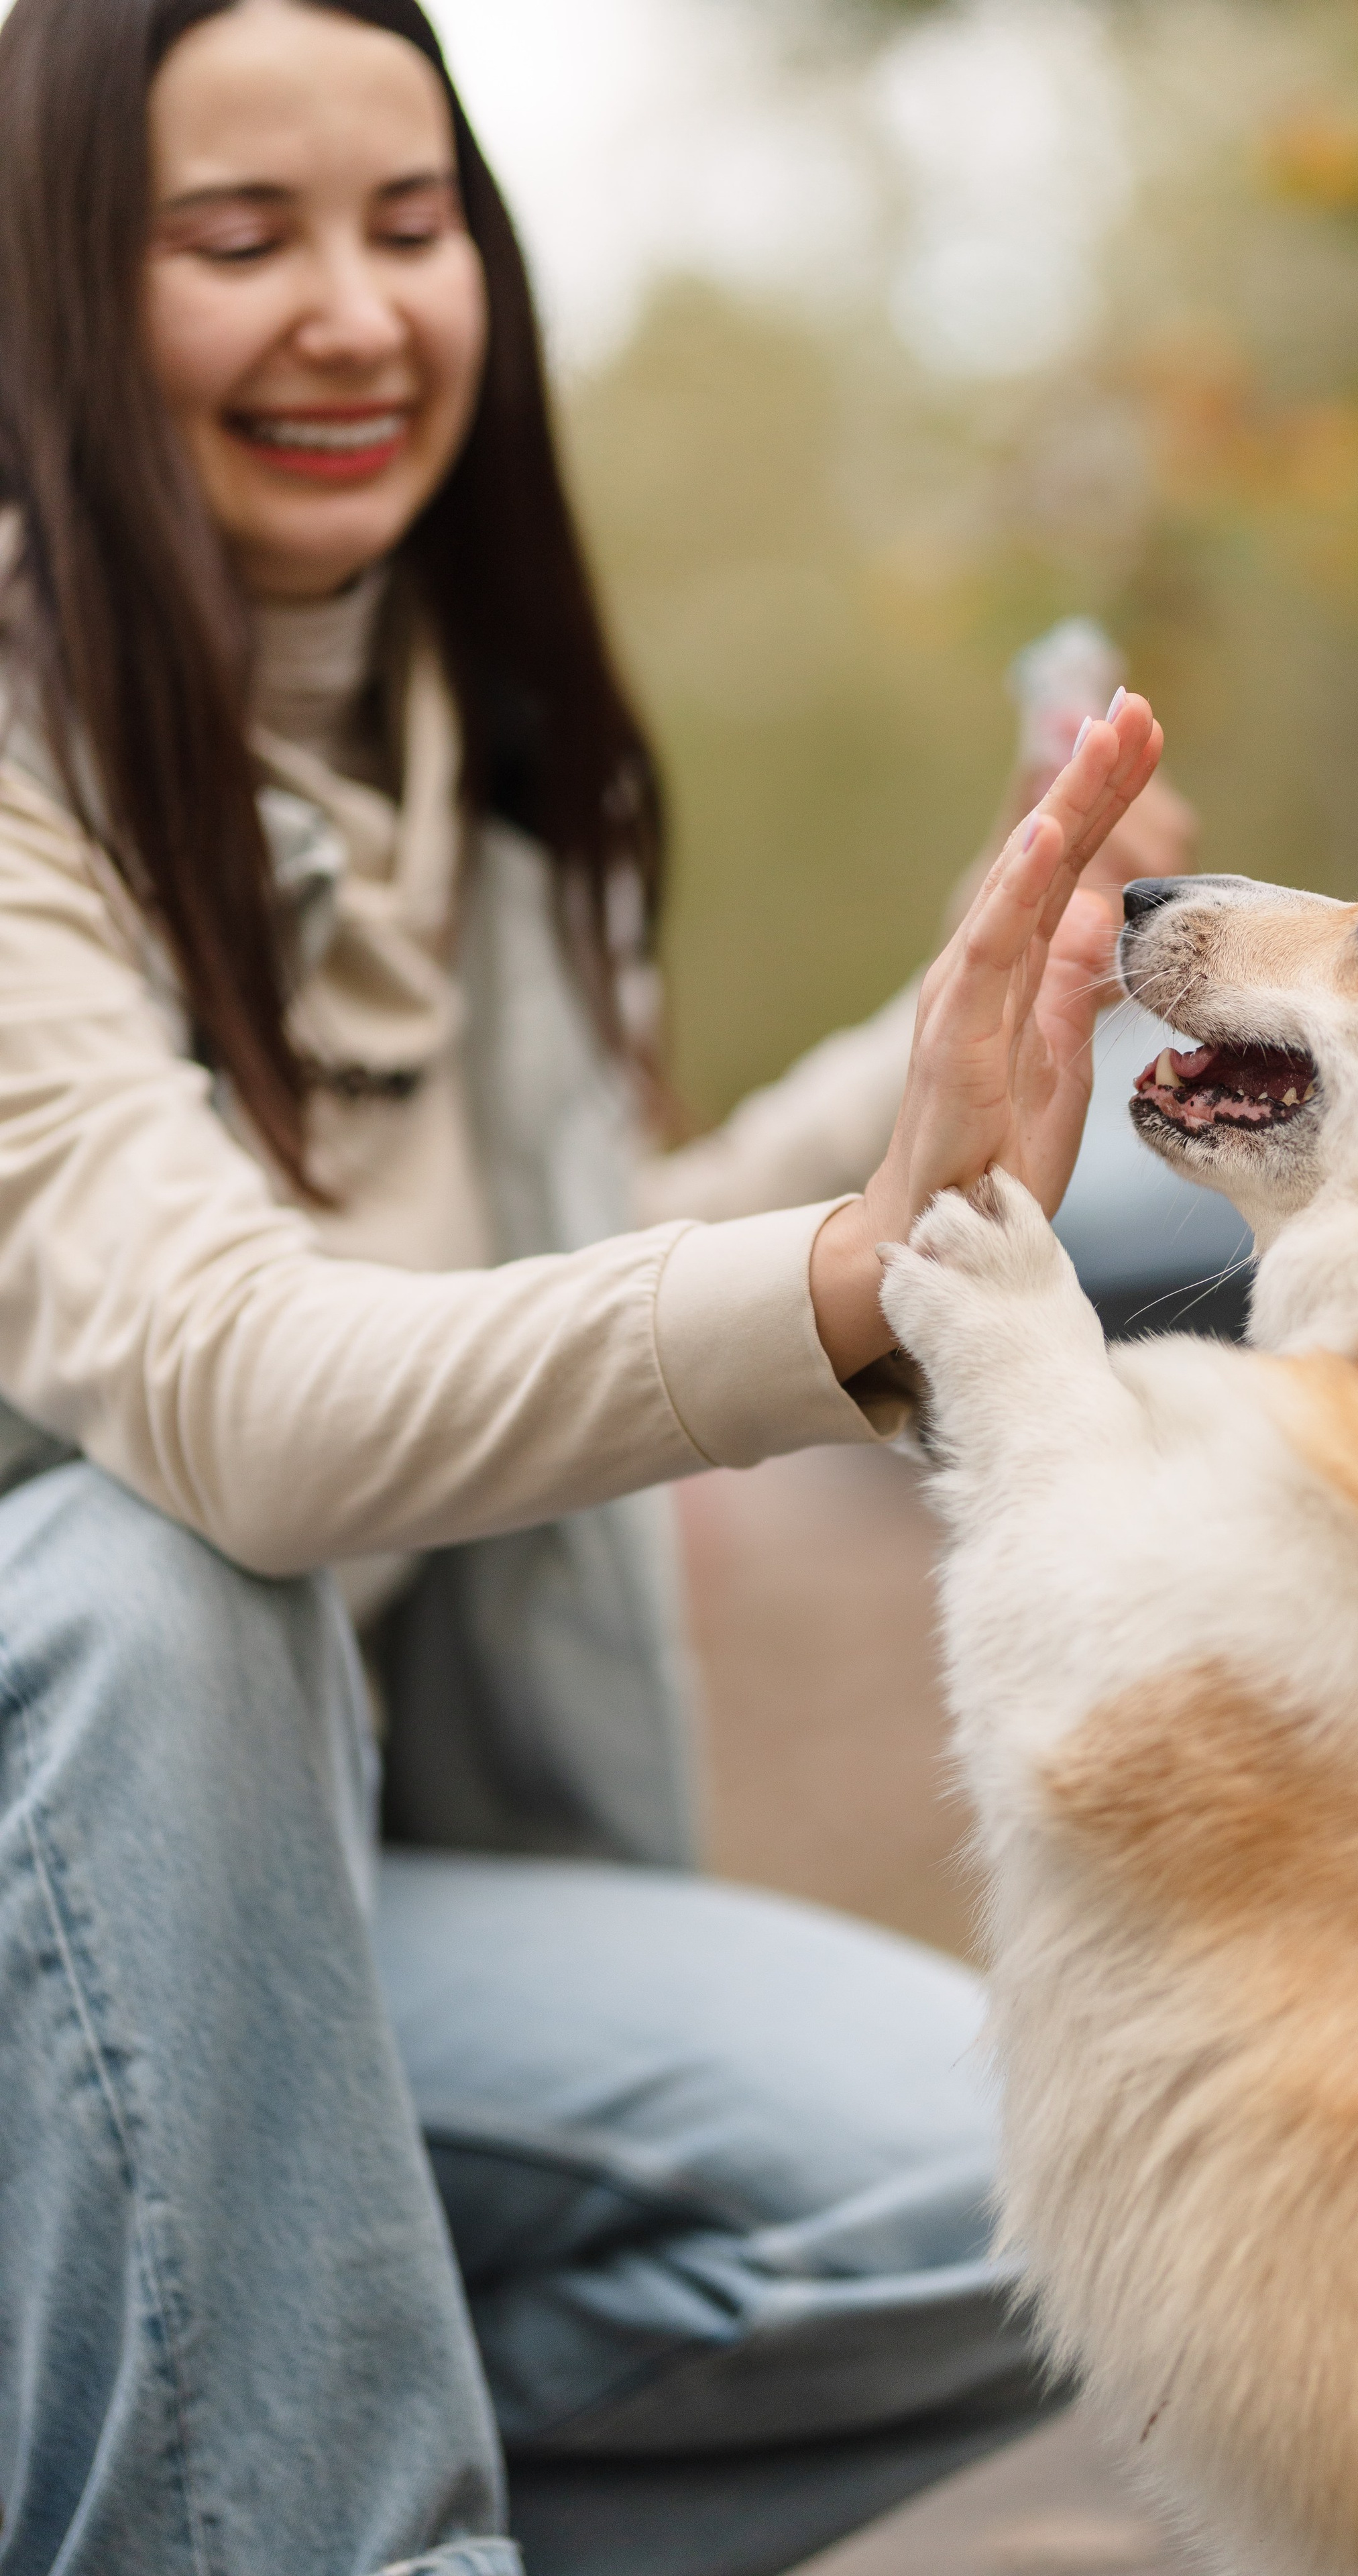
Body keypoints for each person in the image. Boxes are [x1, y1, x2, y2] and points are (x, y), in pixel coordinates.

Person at [0, 2, 1176, 2571]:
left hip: (313, 1899)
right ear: (59, 295)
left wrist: (1012, 987)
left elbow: (586, 1264)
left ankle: (229, 2486)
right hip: (53, 1880)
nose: (355, 312)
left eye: (411, 227)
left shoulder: (483, 762)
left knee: (1035, 2182)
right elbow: (249, 1405)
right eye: (239, 238)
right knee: (153, 1566)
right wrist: (854, 1287)